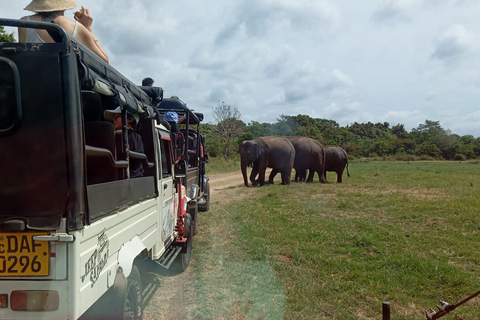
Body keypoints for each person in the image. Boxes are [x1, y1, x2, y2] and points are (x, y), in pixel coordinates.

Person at [18, 0, 109, 63]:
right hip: (67, 88)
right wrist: (88, 29)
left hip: (32, 86)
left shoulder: (24, 23)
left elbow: (22, 56)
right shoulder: (76, 27)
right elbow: (104, 61)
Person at [104, 107, 144, 178]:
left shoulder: (130, 136)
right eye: (114, 117)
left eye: (117, 116)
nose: (114, 120)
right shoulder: (135, 136)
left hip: (129, 175)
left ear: (130, 119)